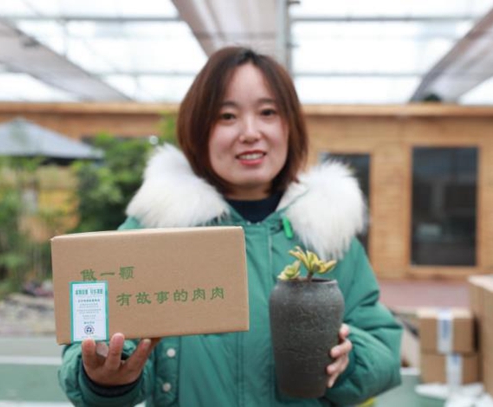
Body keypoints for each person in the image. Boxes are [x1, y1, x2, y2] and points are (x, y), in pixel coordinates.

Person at [59, 46, 402, 407]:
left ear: (290, 125)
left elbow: (382, 348)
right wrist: (105, 378)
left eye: (268, 112)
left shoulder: (327, 230)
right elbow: (91, 341)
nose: (250, 132)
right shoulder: (155, 228)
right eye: (227, 116)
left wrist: (346, 361)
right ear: (198, 130)